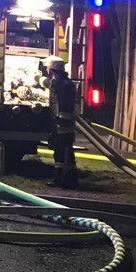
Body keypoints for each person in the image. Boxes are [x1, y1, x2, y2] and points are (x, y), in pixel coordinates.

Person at [43, 55, 79, 188]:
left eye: (48, 69)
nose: (48, 72)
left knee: (59, 151)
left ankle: (58, 179)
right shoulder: (67, 83)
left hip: (61, 123)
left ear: (52, 70)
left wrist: (37, 78)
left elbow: (49, 84)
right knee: (68, 151)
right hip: (67, 123)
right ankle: (71, 178)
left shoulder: (58, 84)